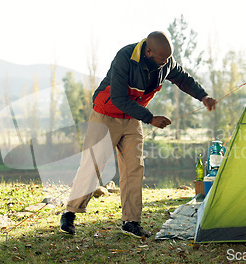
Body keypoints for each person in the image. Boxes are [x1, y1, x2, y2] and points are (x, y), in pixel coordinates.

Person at [60, 31, 217, 238]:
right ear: (148, 51)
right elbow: (118, 98)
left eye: (168, 58)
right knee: (93, 165)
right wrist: (150, 118)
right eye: (162, 58)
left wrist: (203, 96)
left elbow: (183, 79)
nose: (165, 62)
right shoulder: (125, 57)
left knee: (135, 168)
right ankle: (70, 213)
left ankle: (130, 221)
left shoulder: (165, 62)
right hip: (106, 114)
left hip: (132, 119)